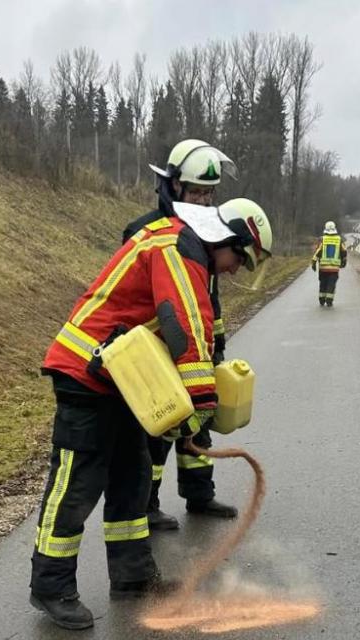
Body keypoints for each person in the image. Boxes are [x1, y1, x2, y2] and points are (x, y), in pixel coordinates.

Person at [29, 197, 273, 630]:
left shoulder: (189, 248)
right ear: (228, 239)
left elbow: (191, 327)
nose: (236, 270)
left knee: (133, 474)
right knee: (77, 483)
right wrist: (202, 401)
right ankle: (51, 585)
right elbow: (185, 322)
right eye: (240, 259)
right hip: (86, 373)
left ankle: (133, 576)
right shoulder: (178, 247)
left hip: (122, 376)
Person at [123, 139, 241, 530]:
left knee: (199, 427)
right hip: (156, 350)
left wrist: (216, 343)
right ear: (173, 187)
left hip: (196, 347)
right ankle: (148, 505)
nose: (203, 202)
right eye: (196, 192)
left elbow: (209, 297)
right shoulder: (144, 230)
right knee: (157, 431)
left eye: (209, 194)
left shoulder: (206, 233)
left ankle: (199, 495)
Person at [310, 221, 347, 306]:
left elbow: (318, 252)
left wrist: (313, 262)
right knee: (331, 284)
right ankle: (329, 301)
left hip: (323, 268)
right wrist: (344, 261)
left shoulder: (322, 239)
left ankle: (322, 300)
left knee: (323, 283)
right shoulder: (339, 239)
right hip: (334, 268)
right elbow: (344, 251)